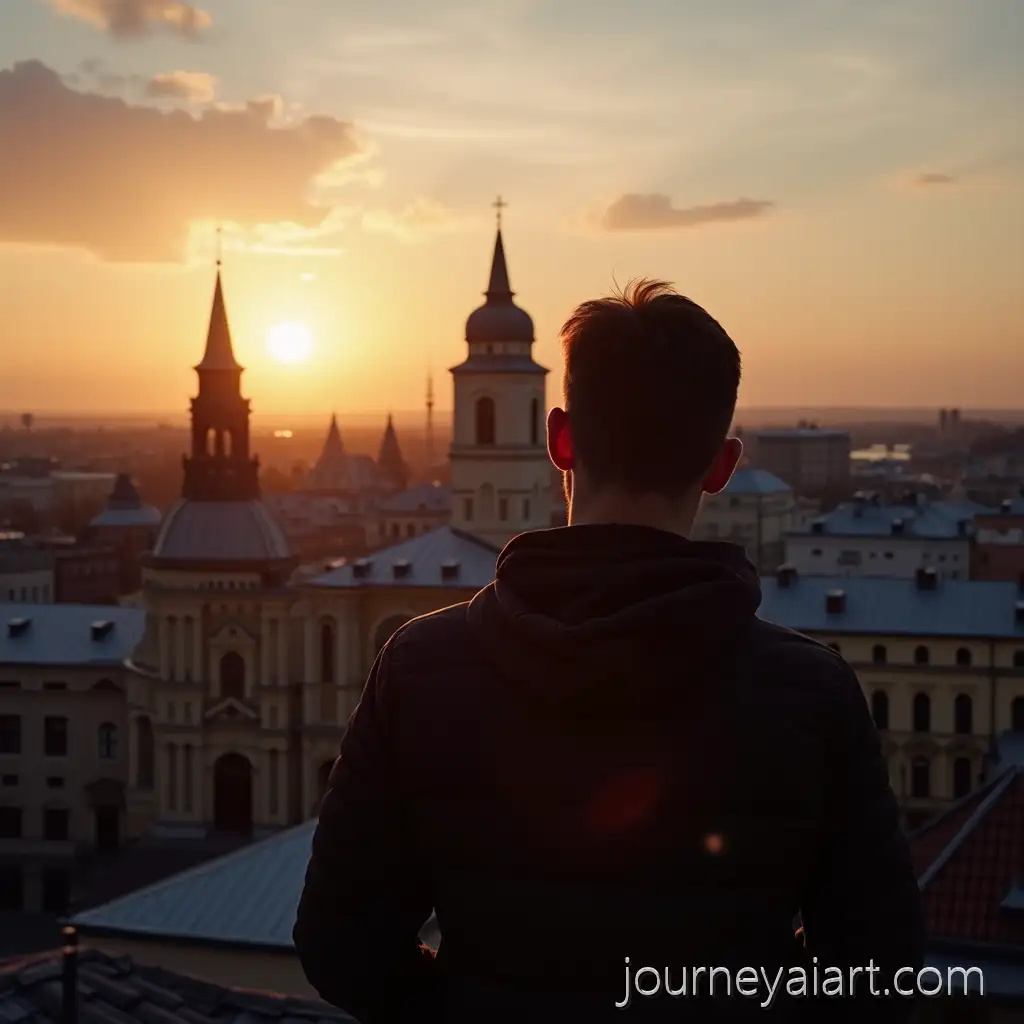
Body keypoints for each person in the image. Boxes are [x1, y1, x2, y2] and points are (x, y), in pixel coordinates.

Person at [294, 280, 923, 1022]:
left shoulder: (420, 668)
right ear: (721, 465)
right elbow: (878, 973)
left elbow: (342, 945)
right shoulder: (810, 693)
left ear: (559, 439)